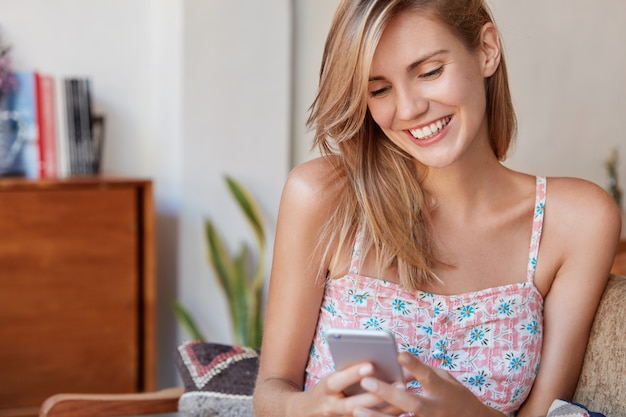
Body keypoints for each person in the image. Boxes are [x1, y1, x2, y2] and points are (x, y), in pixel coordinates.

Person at [253, 0, 622, 416]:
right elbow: (270, 391)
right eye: (379, 89)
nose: (409, 109)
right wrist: (307, 408)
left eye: (429, 72)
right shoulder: (324, 196)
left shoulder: (576, 221)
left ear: (486, 50)